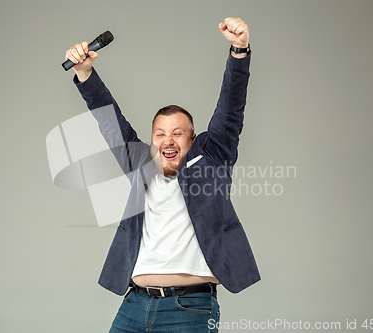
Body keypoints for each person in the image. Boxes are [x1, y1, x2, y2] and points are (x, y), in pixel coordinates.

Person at [65, 17, 260, 332]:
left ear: (193, 140)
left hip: (189, 309)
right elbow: (108, 119)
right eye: (160, 134)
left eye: (178, 133)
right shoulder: (140, 164)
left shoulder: (212, 159)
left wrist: (239, 52)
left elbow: (230, 109)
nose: (168, 140)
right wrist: (84, 72)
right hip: (134, 305)